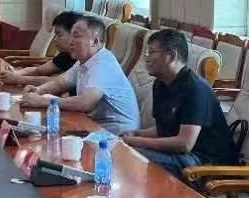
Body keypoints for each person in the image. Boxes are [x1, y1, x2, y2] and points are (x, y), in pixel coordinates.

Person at [120, 29, 238, 178]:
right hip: (182, 155)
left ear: (172, 56)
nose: (146, 58)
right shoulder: (160, 84)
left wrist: (137, 141)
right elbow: (164, 129)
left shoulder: (196, 89)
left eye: (151, 52)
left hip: (205, 162)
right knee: (125, 149)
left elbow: (184, 144)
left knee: (133, 155)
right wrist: (137, 133)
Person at [22, 15, 140, 135]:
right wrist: (38, 90)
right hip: (93, 125)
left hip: (118, 135)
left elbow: (86, 103)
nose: (70, 42)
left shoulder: (104, 64)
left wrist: (41, 101)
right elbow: (60, 83)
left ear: (95, 42)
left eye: (76, 36)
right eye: (71, 35)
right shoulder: (83, 60)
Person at [0, 10, 81, 87]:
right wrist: (15, 73)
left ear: (74, 34)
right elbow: (38, 70)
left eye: (59, 35)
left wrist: (18, 79)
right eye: (55, 35)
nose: (55, 39)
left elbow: (57, 81)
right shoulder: (66, 54)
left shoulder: (83, 59)